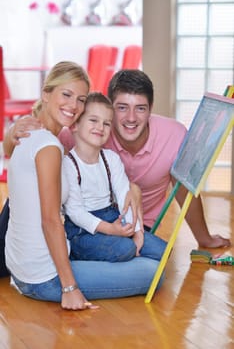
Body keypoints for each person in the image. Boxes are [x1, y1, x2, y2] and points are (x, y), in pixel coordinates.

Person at [3, 70, 230, 248]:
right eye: (122, 108)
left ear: (150, 109)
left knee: (155, 256)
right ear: (110, 109)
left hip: (134, 224)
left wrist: (204, 238)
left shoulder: (174, 135)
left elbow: (185, 188)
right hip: (86, 224)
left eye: (140, 108)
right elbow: (34, 151)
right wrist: (13, 132)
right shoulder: (90, 132)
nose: (131, 118)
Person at [4, 62, 164, 311]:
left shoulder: (29, 135)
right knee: (154, 272)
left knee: (154, 254)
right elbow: (50, 221)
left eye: (80, 99)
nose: (73, 106)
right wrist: (70, 289)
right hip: (43, 277)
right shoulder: (49, 147)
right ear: (46, 93)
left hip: (23, 266)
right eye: (66, 95)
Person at [63, 91, 167, 262]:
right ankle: (81, 255)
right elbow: (76, 213)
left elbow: (125, 196)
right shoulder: (68, 164)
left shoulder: (111, 158)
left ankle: (126, 259)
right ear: (75, 125)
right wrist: (112, 230)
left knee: (162, 250)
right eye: (93, 120)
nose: (100, 127)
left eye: (106, 123)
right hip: (82, 230)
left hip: (112, 217)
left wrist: (138, 231)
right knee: (125, 248)